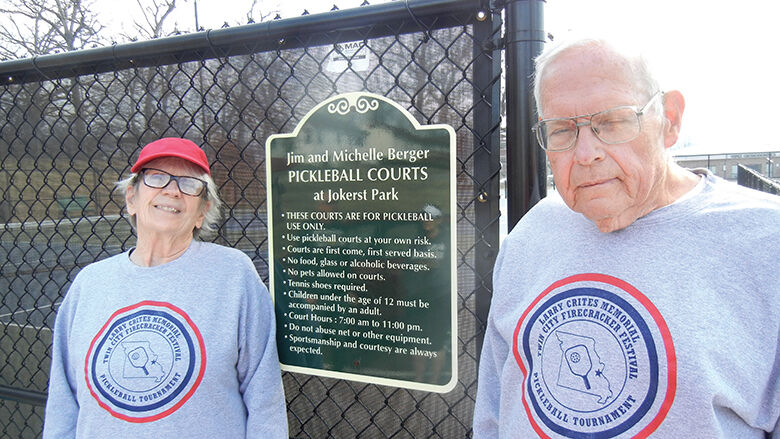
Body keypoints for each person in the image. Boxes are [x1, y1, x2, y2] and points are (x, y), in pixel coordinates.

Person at [473, 37, 780, 438]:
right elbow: (497, 409)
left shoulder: (765, 241)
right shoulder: (531, 235)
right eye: (562, 130)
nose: (586, 154)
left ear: (669, 119)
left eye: (611, 122)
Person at [43, 138, 288, 438]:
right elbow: (62, 405)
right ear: (131, 198)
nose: (172, 190)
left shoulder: (233, 275)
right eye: (156, 177)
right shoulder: (90, 283)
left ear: (202, 211)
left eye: (189, 183)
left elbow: (265, 401)